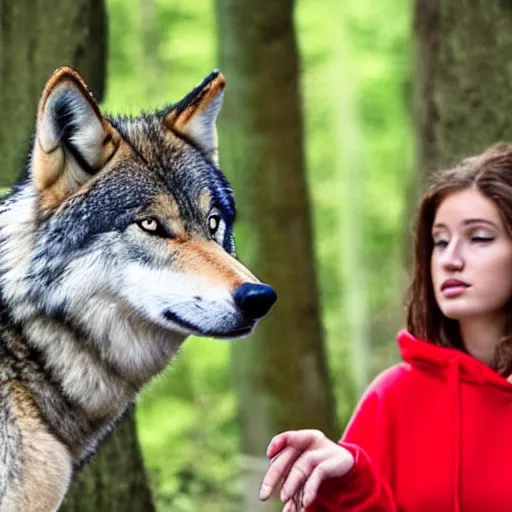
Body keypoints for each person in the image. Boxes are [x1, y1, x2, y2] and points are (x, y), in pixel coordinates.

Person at [258, 142, 512, 512]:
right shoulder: (395, 397)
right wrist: (347, 485)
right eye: (439, 241)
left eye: (479, 237)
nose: (450, 259)